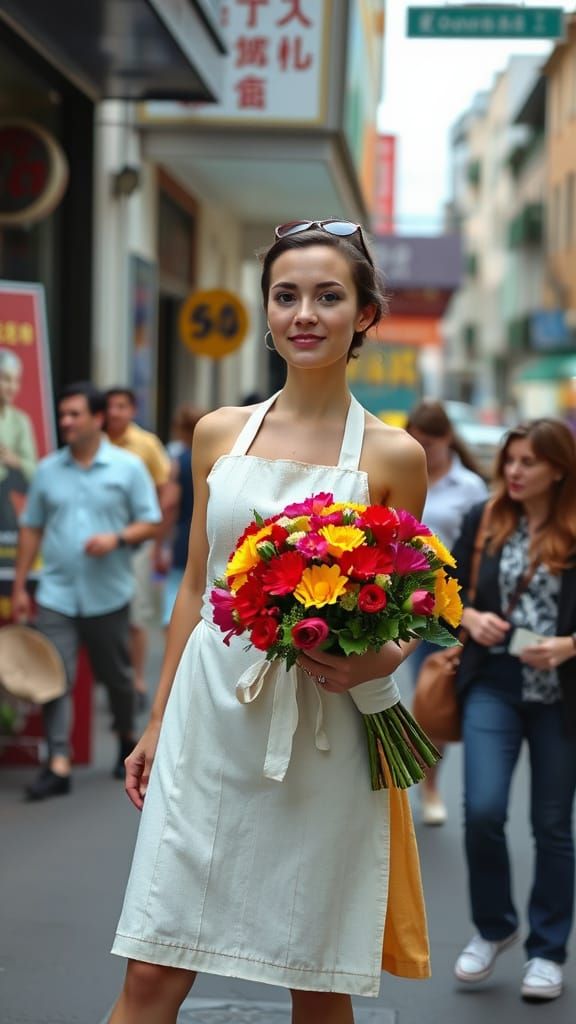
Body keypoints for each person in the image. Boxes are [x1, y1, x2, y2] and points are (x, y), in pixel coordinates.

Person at [108, 219, 431, 1024]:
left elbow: (416, 604)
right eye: (286, 296)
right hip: (208, 720)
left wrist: (375, 662)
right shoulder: (218, 432)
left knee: (315, 977)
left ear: (363, 314)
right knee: (152, 968)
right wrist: (154, 721)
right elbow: (192, 586)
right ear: (267, 311)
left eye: (328, 296)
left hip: (325, 730)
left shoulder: (394, 457)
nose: (304, 314)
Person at [452, 418, 576, 1002]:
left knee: (551, 827)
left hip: (560, 699)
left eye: (529, 461)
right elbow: (441, 586)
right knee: (482, 809)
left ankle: (548, 951)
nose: (515, 472)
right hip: (494, 684)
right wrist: (469, 618)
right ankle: (494, 927)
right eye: (510, 461)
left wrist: (571, 646)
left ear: (558, 467)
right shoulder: (485, 520)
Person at [12, 382, 161, 800]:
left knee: (116, 679)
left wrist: (116, 539)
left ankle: (125, 737)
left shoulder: (128, 468)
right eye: (63, 415)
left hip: (109, 595)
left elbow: (150, 522)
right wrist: (23, 585)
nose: (66, 422)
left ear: (98, 419)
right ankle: (57, 762)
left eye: (75, 414)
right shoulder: (47, 470)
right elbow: (32, 528)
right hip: (57, 594)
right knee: (53, 676)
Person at [405, 399, 489, 826]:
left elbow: (481, 550)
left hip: (448, 608)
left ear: (447, 439)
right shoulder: (405, 474)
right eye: (415, 443)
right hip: (400, 600)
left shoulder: (470, 487)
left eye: (429, 444)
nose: (423, 452)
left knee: (434, 693)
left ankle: (431, 784)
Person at [105, 388, 172, 709]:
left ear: (132, 409)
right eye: (110, 407)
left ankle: (137, 679)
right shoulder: (96, 441)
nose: (115, 412)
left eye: (122, 406)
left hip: (138, 541)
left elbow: (165, 494)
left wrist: (157, 541)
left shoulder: (146, 445)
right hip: (101, 540)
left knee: (136, 613)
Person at [160, 405, 203, 628]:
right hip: (207, 535)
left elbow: (169, 504)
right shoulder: (217, 459)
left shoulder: (180, 461)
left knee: (175, 597)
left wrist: (158, 545)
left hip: (184, 536)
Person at [0, 348, 37, 484]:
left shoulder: (20, 421)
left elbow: (34, 471)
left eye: (16, 381)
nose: (12, 387)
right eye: (6, 379)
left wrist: (14, 460)